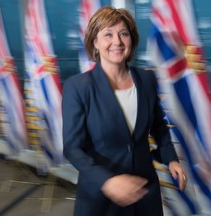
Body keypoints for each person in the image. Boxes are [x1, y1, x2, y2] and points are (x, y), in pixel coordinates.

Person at [62, 6, 187, 216]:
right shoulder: (78, 86)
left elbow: (158, 126)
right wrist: (108, 181)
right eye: (108, 35)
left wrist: (171, 158)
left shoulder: (146, 79)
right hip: (101, 198)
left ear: (132, 39)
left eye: (123, 34)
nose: (117, 42)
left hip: (145, 194)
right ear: (95, 42)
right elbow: (73, 148)